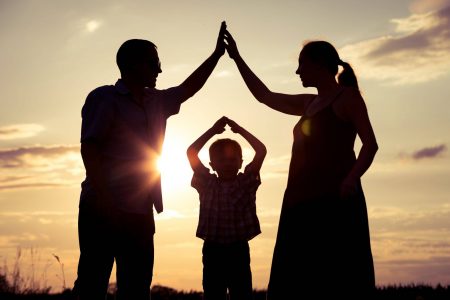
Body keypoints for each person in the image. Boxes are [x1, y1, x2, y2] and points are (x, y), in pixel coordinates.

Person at [73, 22, 227, 299]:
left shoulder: (157, 101)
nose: (159, 70)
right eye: (154, 63)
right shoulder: (104, 98)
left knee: (137, 286)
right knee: (92, 283)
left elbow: (188, 88)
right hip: (102, 208)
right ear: (133, 65)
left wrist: (216, 55)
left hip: (140, 210)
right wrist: (105, 200)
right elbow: (90, 149)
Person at [224, 30, 378, 299]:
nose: (297, 71)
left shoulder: (348, 98)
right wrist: (237, 58)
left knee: (335, 276)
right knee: (296, 278)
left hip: (335, 201)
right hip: (299, 201)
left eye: (301, 64)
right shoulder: (309, 103)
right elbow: (264, 95)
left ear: (318, 64)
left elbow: (370, 145)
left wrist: (352, 178)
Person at [187, 116, 267, 300]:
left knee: (242, 294)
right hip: (213, 250)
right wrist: (212, 130)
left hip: (238, 249)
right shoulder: (206, 183)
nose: (228, 164)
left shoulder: (246, 182)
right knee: (213, 294)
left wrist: (240, 129)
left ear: (240, 162)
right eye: (222, 160)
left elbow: (261, 150)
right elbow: (191, 151)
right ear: (212, 165)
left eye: (233, 160)